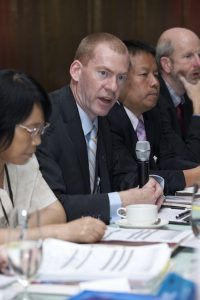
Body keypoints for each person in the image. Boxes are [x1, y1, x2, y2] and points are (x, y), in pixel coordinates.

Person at [36, 32, 164, 224]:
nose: (113, 87)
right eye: (103, 73)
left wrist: (151, 187)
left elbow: (120, 175)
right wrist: (125, 200)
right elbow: (53, 207)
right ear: (76, 71)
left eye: (121, 77)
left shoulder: (106, 116)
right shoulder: (45, 120)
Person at [0, 69, 106, 245]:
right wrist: (56, 232)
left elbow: (56, 212)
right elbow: (56, 224)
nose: (37, 140)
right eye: (32, 130)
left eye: (40, 129)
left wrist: (11, 234)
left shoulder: (24, 162)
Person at [107, 40, 200, 195]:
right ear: (120, 79)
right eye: (144, 75)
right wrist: (192, 176)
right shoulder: (109, 119)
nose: (155, 82)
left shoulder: (153, 113)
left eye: (156, 75)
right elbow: (128, 180)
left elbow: (168, 159)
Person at [156, 27, 200, 163]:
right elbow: (188, 161)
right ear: (167, 64)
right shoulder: (154, 101)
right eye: (188, 56)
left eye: (199, 55)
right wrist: (198, 109)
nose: (198, 63)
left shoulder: (189, 94)